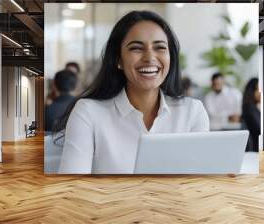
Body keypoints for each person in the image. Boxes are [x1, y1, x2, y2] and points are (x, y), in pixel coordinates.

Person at [57, 10, 209, 174]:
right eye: (136, 48)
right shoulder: (88, 112)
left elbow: (200, 186)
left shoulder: (192, 112)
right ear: (118, 60)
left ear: (170, 58)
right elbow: (71, 189)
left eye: (160, 47)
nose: (150, 57)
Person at [241, 78, 260, 152]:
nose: (261, 92)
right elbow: (259, 130)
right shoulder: (249, 109)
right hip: (256, 149)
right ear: (252, 91)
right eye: (258, 89)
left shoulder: (252, 108)